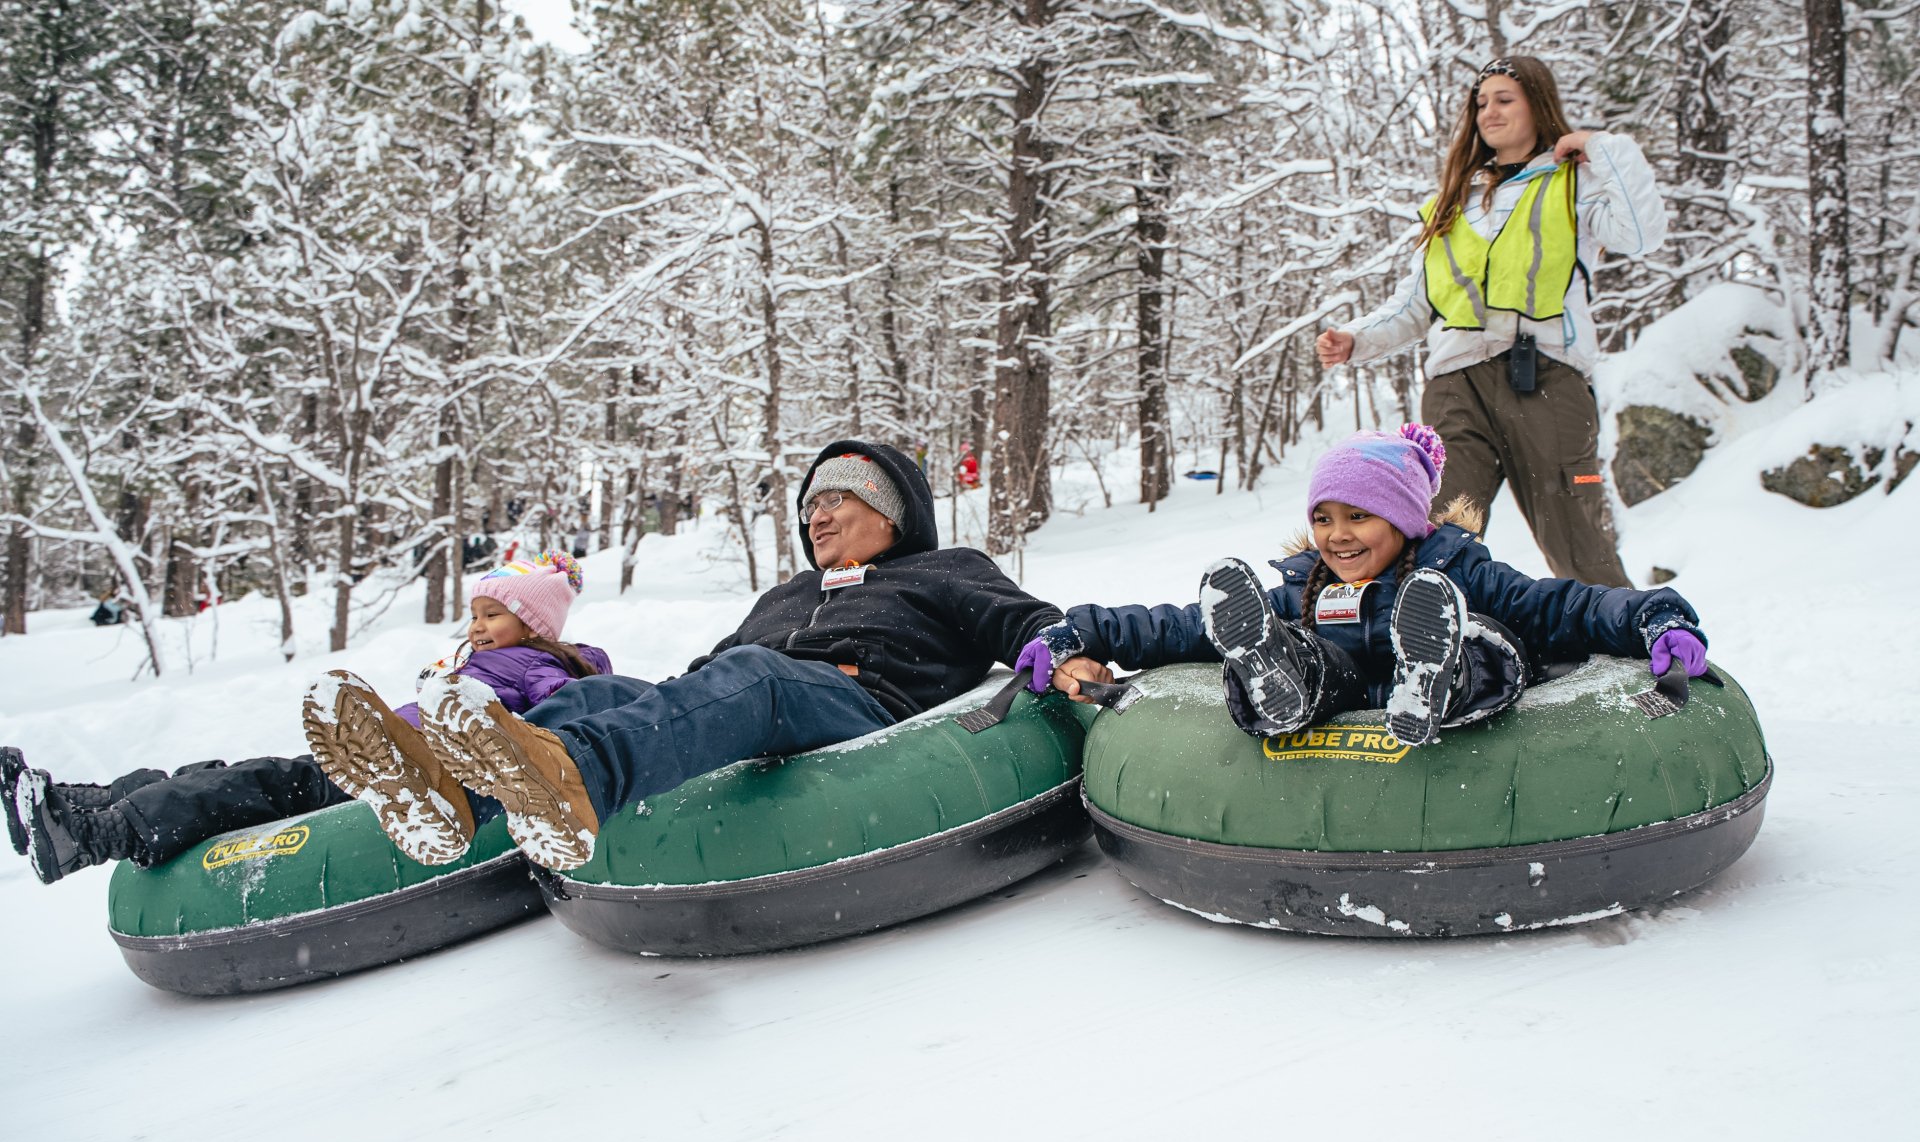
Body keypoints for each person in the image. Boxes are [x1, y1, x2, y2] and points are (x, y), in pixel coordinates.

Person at [304, 440, 1066, 872]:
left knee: (753, 677)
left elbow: (1028, 623)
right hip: (759, 689)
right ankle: (451, 794)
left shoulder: (943, 569)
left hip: (858, 700)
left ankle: (579, 779)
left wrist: (1062, 654)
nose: (818, 514)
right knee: (589, 698)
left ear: (894, 512)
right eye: (810, 506)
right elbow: (715, 669)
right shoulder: (790, 593)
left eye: (838, 499)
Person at [1013, 424, 1710, 747]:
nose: (1338, 534)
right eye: (1323, 517)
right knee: (1307, 655)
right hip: (1349, 691)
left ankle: (1435, 674)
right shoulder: (1306, 587)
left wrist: (1657, 617)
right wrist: (1083, 630)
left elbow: (1564, 606)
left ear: (1406, 518)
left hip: (1455, 666)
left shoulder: (1457, 569)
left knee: (1486, 641)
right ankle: (1274, 677)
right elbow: (1174, 627)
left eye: (1359, 516)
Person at [5, 553, 609, 884]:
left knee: (254, 785)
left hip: (406, 777)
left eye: (492, 615)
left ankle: (92, 837)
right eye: (473, 614)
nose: (475, 625)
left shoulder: (540, 668)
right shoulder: (487, 659)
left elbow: (558, 715)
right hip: (376, 755)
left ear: (534, 626)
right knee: (234, 774)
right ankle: (81, 804)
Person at [1314, 55, 1667, 587]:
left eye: (1505, 100)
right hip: (1455, 385)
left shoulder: (1576, 183)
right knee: (1432, 531)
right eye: (1481, 103)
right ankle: (1412, 650)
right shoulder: (1449, 205)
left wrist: (1600, 146)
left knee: (1576, 534)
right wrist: (1355, 339)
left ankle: (1636, 655)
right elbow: (1414, 304)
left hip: (1545, 375)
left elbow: (1641, 235)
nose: (1489, 113)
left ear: (1537, 105)